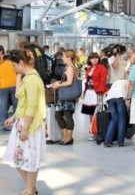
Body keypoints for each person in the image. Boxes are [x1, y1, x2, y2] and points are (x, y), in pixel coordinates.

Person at [3, 49, 46, 195]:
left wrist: (25, 128)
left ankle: (30, 189)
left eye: (14, 66)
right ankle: (31, 188)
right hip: (23, 123)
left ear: (21, 62)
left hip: (30, 125)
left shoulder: (32, 79)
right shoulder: (27, 77)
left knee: (29, 159)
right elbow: (23, 102)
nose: (13, 69)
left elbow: (32, 105)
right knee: (20, 159)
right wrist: (13, 117)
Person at [51, 49, 78, 145]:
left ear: (69, 58)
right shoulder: (68, 67)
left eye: (63, 56)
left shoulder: (70, 67)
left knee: (67, 115)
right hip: (65, 95)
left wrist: (59, 85)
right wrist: (59, 83)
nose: (62, 58)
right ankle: (66, 136)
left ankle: (68, 138)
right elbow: (66, 80)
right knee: (58, 115)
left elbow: (70, 82)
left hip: (68, 95)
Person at [82, 52, 108, 141]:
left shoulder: (102, 68)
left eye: (96, 58)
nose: (94, 59)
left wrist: (100, 92)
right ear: (89, 59)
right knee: (91, 113)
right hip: (89, 92)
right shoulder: (88, 68)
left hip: (98, 92)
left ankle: (99, 132)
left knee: (98, 113)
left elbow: (103, 81)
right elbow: (87, 78)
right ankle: (93, 132)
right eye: (92, 58)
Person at [104, 79, 128, 147]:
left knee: (114, 119)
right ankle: (120, 142)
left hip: (110, 98)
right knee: (122, 119)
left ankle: (107, 141)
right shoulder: (127, 82)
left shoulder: (116, 82)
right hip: (119, 97)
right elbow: (128, 94)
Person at [0, 45, 18, 132]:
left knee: (3, 106)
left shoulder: (2, 64)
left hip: (3, 87)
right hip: (14, 86)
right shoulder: (12, 63)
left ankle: (4, 125)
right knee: (16, 106)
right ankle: (17, 125)